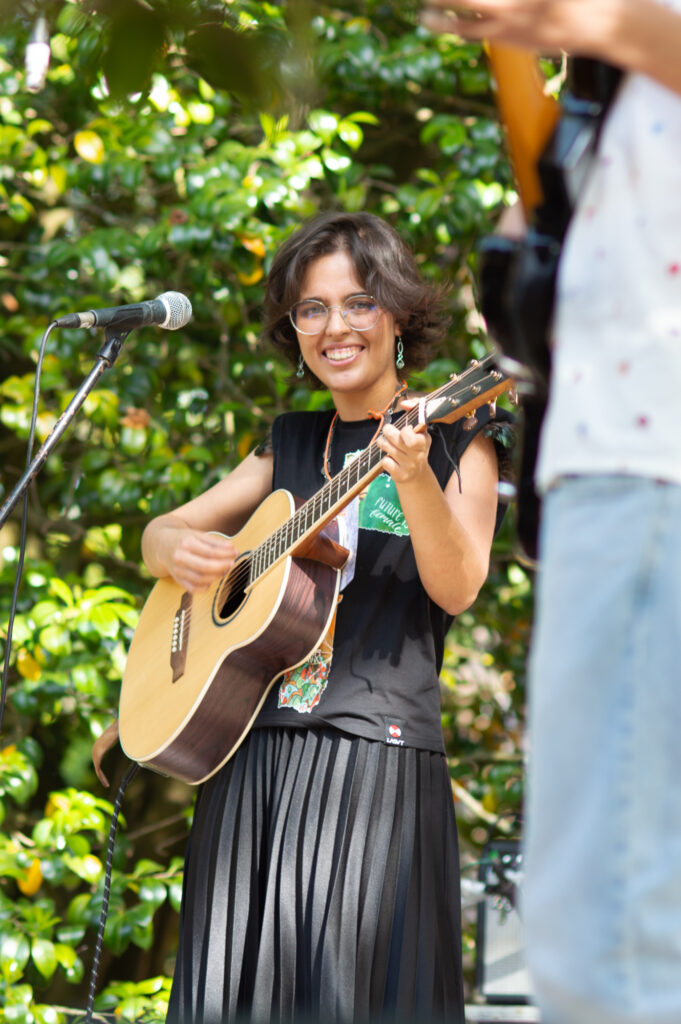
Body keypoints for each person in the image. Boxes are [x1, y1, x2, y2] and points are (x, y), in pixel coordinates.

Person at [141, 210, 512, 1023]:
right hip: (250, 758)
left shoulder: (456, 433)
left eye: (358, 303)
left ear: (398, 315)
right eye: (312, 309)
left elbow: (458, 587)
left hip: (370, 757)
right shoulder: (289, 443)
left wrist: (412, 476)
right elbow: (161, 531)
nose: (334, 326)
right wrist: (175, 551)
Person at [422, 4, 681, 1024]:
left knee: (603, 931)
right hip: (599, 475)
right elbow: (534, 286)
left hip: (647, 469)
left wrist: (552, 19)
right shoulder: (599, 96)